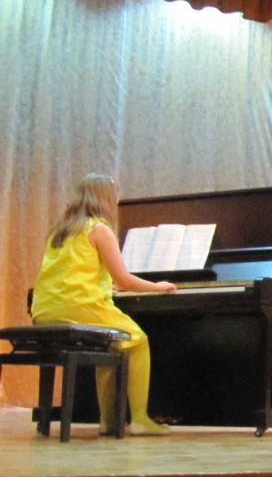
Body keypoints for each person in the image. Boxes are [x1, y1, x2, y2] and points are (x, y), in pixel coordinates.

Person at [31, 173, 177, 435]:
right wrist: (158, 286)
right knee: (138, 340)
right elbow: (125, 279)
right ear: (107, 199)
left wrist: (106, 285)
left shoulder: (61, 230)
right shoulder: (99, 229)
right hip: (79, 305)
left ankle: (108, 421)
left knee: (110, 343)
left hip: (46, 309)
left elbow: (71, 272)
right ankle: (140, 419)